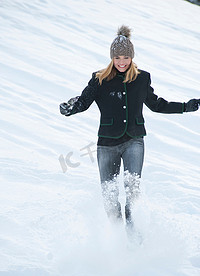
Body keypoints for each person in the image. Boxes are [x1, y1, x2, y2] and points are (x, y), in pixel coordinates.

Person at [60, 25, 200, 237]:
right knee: (109, 194)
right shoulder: (99, 79)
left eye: (126, 57)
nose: (122, 62)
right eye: (117, 58)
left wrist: (184, 106)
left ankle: (133, 234)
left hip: (134, 140)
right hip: (107, 143)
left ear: (132, 57)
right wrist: (71, 107)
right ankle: (117, 237)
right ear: (111, 58)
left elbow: (157, 104)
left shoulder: (142, 78)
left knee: (132, 190)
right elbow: (84, 101)